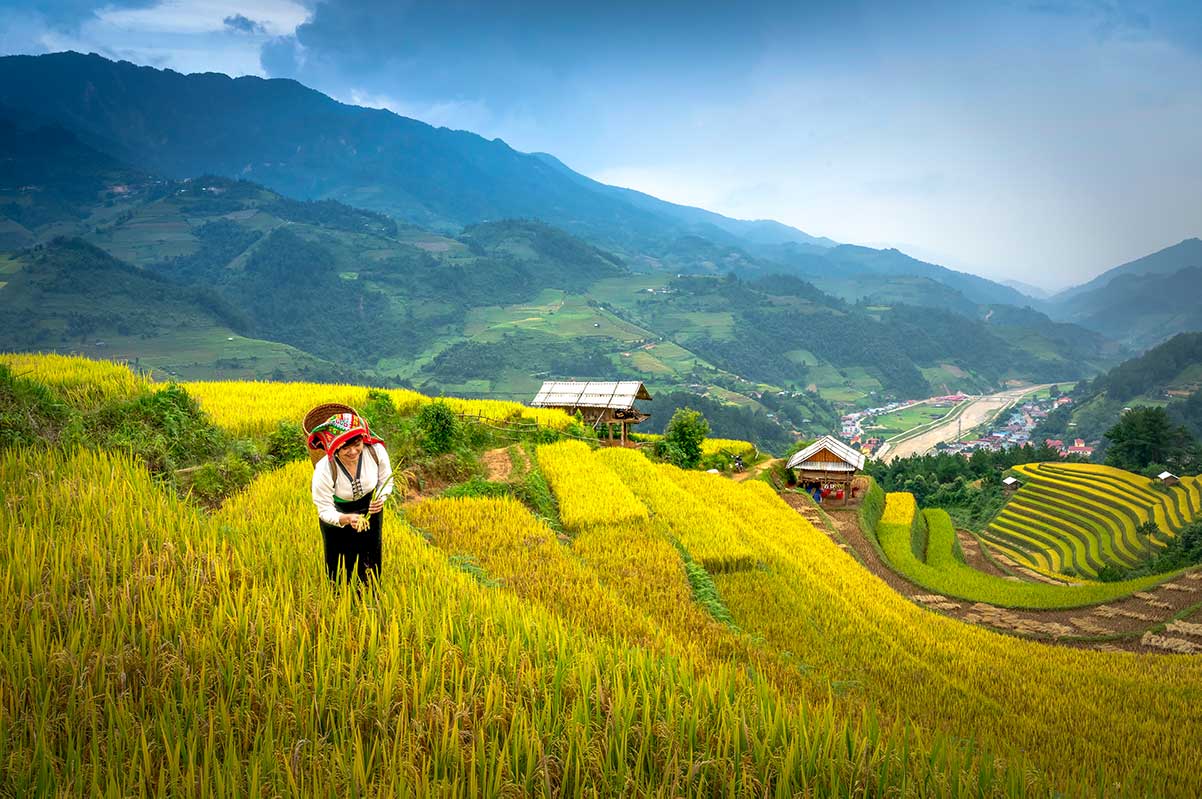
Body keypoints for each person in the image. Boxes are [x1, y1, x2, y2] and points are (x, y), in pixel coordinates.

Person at [309, 412, 392, 586]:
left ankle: (370, 595)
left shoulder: (375, 452)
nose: (353, 451)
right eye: (346, 448)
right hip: (338, 516)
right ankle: (340, 599)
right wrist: (346, 519)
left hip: (371, 509)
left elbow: (386, 480)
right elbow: (324, 509)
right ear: (335, 447)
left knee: (371, 556)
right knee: (338, 563)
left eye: (357, 444)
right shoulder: (325, 468)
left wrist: (381, 498)